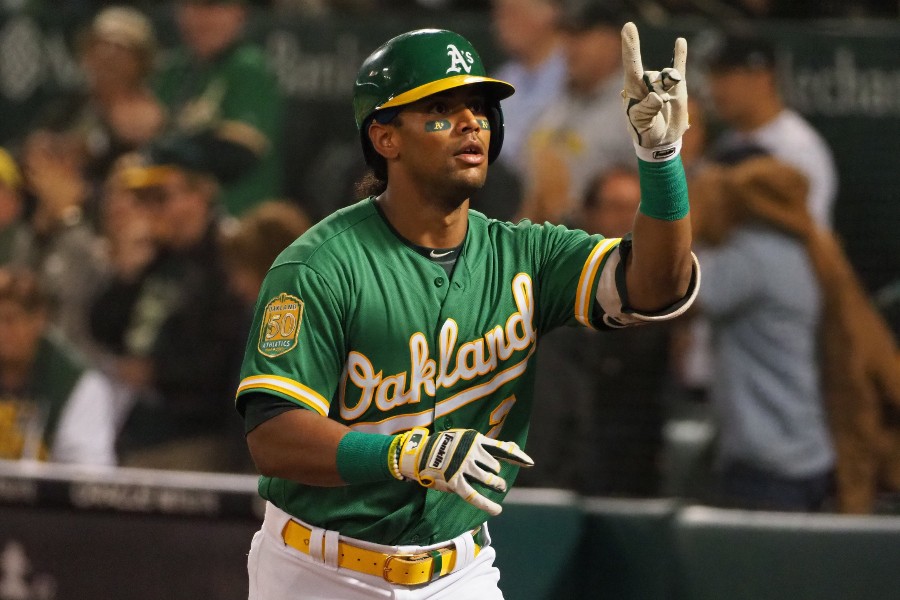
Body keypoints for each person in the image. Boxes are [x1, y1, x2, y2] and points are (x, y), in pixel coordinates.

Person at [236, 23, 697, 597]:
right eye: (440, 110)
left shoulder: (526, 254)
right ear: (385, 138)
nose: (470, 123)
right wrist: (404, 453)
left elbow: (656, 286)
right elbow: (273, 439)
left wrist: (661, 161)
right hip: (320, 570)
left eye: (478, 108)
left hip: (459, 570)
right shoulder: (320, 267)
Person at [88, 138, 247, 472]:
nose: (151, 209)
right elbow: (102, 330)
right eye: (144, 198)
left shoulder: (229, 257)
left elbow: (228, 359)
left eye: (162, 196)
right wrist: (126, 275)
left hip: (197, 440)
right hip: (134, 431)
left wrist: (158, 373)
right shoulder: (157, 257)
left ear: (200, 195)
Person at [517, 164, 674, 497]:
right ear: (587, 214)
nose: (627, 219)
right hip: (551, 480)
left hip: (629, 484)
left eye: (637, 209)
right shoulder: (548, 289)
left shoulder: (660, 302)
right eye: (615, 207)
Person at [153, 0, 284, 217]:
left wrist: (158, 149)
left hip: (236, 218)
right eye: (192, 7)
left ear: (239, 13)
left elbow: (238, 153)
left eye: (213, 7)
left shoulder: (248, 67)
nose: (201, 19)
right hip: (171, 218)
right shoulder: (174, 70)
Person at [516, 0, 635, 225]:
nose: (570, 46)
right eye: (566, 35)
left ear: (617, 41)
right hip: (540, 235)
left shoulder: (643, 101)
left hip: (605, 241)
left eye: (581, 35)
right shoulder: (556, 102)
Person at [704, 32, 838, 229]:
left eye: (726, 75)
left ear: (762, 77)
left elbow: (811, 230)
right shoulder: (727, 142)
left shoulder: (798, 146)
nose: (716, 88)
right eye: (713, 76)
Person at [0, 267, 121, 465]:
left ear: (38, 319)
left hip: (45, 495)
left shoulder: (78, 383)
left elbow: (88, 475)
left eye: (10, 320)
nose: (1, 331)